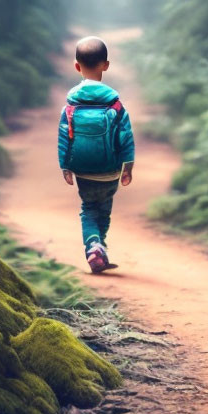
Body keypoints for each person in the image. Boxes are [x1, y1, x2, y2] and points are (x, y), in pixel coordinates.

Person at [58, 36, 135, 273]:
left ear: (76, 66)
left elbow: (64, 136)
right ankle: (99, 246)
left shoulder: (70, 105)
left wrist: (65, 165)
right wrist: (127, 166)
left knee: (89, 208)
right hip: (110, 170)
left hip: (83, 170)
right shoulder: (115, 105)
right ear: (106, 65)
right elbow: (126, 136)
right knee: (104, 209)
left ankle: (93, 246)